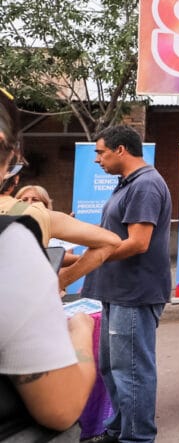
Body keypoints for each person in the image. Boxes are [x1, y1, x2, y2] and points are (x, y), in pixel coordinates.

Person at [0, 88, 97, 439]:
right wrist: (82, 332)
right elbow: (61, 407)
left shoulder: (32, 225)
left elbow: (116, 242)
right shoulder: (11, 244)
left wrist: (66, 273)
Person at [81, 125, 173, 443]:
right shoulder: (127, 183)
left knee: (131, 371)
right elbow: (109, 237)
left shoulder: (145, 185)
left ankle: (137, 437)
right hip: (118, 292)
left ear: (121, 150)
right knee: (111, 367)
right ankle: (120, 428)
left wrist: (84, 264)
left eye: (100, 152)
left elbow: (137, 243)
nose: (96, 159)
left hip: (134, 294)